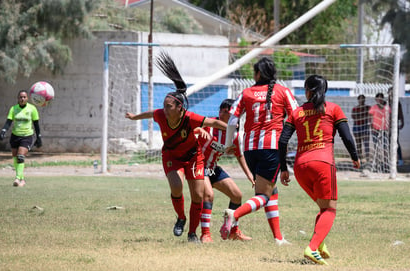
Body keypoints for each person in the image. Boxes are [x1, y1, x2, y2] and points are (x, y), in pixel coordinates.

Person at [125, 52, 227, 243]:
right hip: (171, 156)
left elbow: (213, 123)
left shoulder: (190, 118)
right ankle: (181, 217)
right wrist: (134, 117)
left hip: (193, 156)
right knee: (176, 186)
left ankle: (192, 233)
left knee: (198, 195)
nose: (165, 109)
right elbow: (149, 114)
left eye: (169, 106)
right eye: (164, 106)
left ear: (180, 108)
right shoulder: (161, 115)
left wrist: (231, 127)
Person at [278, 75, 360, 265]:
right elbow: (347, 137)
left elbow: (283, 141)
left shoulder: (296, 112)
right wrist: (354, 156)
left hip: (300, 167)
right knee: (330, 210)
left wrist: (283, 168)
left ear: (307, 90)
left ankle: (320, 244)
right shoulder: (332, 109)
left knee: (323, 208)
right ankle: (312, 248)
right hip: (322, 164)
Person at [220, 57, 298, 245]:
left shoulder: (247, 92)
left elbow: (232, 120)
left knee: (272, 190)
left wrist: (229, 144)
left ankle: (278, 238)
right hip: (272, 148)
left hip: (250, 149)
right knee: (263, 195)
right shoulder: (283, 91)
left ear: (258, 74)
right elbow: (296, 115)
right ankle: (235, 215)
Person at [195, 99, 255, 243]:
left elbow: (239, 155)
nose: (221, 114)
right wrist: (197, 130)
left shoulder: (233, 134)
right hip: (198, 165)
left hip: (212, 168)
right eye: (220, 110)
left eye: (226, 112)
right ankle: (205, 234)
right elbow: (190, 129)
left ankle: (233, 231)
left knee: (237, 195)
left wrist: (250, 176)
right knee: (208, 195)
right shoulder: (209, 124)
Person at [0, 90, 42, 187]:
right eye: (20, 97)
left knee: (20, 156)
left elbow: (36, 124)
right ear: (18, 98)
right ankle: (22, 179)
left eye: (24, 97)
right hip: (15, 136)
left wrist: (39, 137)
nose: (22, 99)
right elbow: (9, 121)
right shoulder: (13, 109)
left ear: (27, 98)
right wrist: (3, 131)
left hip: (27, 136)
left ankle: (17, 178)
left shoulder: (32, 109)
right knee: (15, 157)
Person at [369, 93, 390, 172]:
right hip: (375, 129)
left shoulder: (387, 107)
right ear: (375, 99)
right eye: (378, 98)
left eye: (381, 98)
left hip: (384, 129)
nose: (379, 100)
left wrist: (389, 128)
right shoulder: (373, 108)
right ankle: (376, 164)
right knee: (376, 147)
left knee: (385, 148)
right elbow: (370, 118)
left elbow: (389, 118)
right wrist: (372, 128)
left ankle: (386, 164)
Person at [388, 88, 404, 166]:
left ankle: (400, 159)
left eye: (392, 92)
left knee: (396, 142)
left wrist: (402, 122)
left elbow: (401, 113)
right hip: (387, 126)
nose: (391, 94)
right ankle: (389, 159)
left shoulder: (397, 103)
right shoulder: (387, 103)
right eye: (390, 92)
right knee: (387, 143)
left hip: (394, 126)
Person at [351, 95, 370, 162]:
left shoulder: (367, 107)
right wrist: (362, 116)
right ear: (358, 100)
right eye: (360, 99)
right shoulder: (355, 108)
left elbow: (369, 115)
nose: (361, 101)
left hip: (365, 127)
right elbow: (354, 117)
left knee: (366, 143)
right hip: (357, 127)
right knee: (358, 143)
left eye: (363, 99)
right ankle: (360, 158)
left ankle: (367, 158)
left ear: (364, 100)